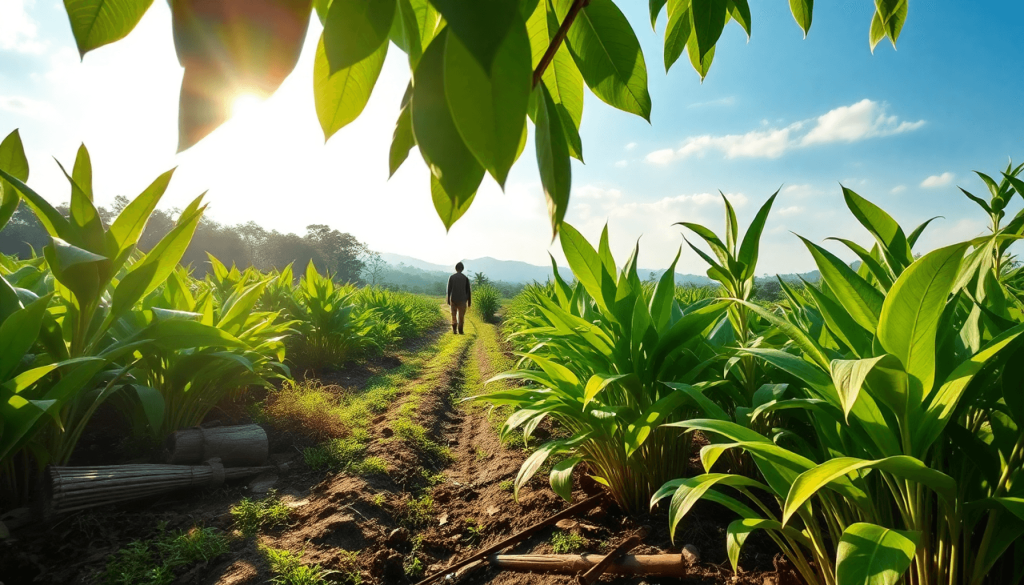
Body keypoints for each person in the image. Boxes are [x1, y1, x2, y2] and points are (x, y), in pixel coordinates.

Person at [446, 261, 471, 335]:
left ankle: (454, 329)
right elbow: (468, 291)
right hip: (463, 300)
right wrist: (469, 301)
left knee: (453, 315)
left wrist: (448, 299)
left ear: (456, 268)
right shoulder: (465, 278)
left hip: (453, 299)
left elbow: (449, 289)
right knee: (461, 316)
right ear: (462, 269)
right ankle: (460, 330)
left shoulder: (452, 277)